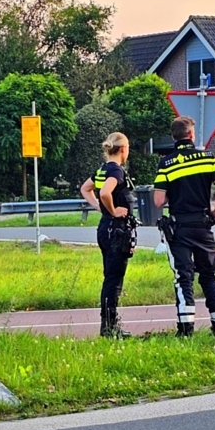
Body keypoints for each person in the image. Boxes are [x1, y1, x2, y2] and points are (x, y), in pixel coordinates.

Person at [154, 116, 215, 336]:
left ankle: (186, 328)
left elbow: (159, 201)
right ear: (191, 135)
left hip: (179, 227)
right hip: (203, 224)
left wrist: (175, 195)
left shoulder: (166, 163)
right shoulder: (208, 158)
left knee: (183, 276)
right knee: (209, 275)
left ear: (174, 136)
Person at [80, 132, 136, 337]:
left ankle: (109, 324)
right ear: (123, 149)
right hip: (116, 230)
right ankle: (109, 327)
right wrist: (112, 210)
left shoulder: (102, 169)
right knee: (114, 279)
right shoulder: (117, 172)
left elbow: (86, 188)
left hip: (106, 228)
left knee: (110, 277)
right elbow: (104, 193)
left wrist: (99, 208)